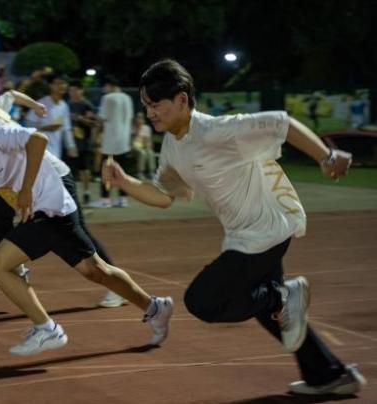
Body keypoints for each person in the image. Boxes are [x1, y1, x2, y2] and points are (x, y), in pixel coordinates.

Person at [102, 59, 366, 396]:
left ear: (181, 99)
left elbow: (283, 123)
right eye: (146, 106)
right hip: (246, 234)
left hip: (266, 229)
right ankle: (329, 375)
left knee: (203, 301)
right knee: (274, 313)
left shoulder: (218, 131)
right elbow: (164, 197)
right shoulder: (172, 145)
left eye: (155, 104)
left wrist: (326, 157)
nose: (149, 113)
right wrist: (124, 182)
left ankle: (283, 297)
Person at [0, 100, 173, 355]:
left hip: (50, 208)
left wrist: (26, 189)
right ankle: (155, 307)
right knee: (96, 271)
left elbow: (38, 139)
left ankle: (47, 329)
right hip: (46, 212)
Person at [0, 83, 127, 308]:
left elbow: (30, 142)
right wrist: (35, 105)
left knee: (78, 234)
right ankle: (16, 268)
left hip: (51, 177)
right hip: (24, 184)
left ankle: (117, 287)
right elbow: (11, 94)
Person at [89, 75, 133, 208]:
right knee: (122, 171)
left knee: (106, 170)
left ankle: (105, 199)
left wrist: (92, 117)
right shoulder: (127, 98)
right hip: (124, 141)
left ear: (110, 85)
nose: (104, 89)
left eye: (105, 86)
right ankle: (123, 199)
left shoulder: (108, 98)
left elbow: (102, 118)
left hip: (110, 142)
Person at [25, 73, 77, 160]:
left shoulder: (64, 106)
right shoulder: (41, 103)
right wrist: (44, 128)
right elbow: (27, 124)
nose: (62, 86)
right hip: (40, 149)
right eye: (58, 83)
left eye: (64, 83)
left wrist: (71, 146)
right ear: (50, 86)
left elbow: (66, 129)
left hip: (56, 150)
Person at [68, 79, 97, 205]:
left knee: (83, 169)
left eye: (75, 90)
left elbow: (93, 123)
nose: (72, 93)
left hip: (83, 143)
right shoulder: (67, 104)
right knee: (68, 169)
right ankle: (70, 195)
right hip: (69, 142)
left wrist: (80, 118)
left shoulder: (86, 105)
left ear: (81, 91)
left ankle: (86, 192)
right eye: (71, 90)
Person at [132, 111, 155, 179]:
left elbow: (149, 141)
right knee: (142, 153)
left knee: (150, 152)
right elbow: (132, 141)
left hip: (144, 146)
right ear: (135, 119)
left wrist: (148, 145)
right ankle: (140, 172)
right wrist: (138, 129)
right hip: (133, 148)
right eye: (138, 118)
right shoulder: (132, 127)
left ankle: (151, 172)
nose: (139, 119)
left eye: (141, 118)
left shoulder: (147, 128)